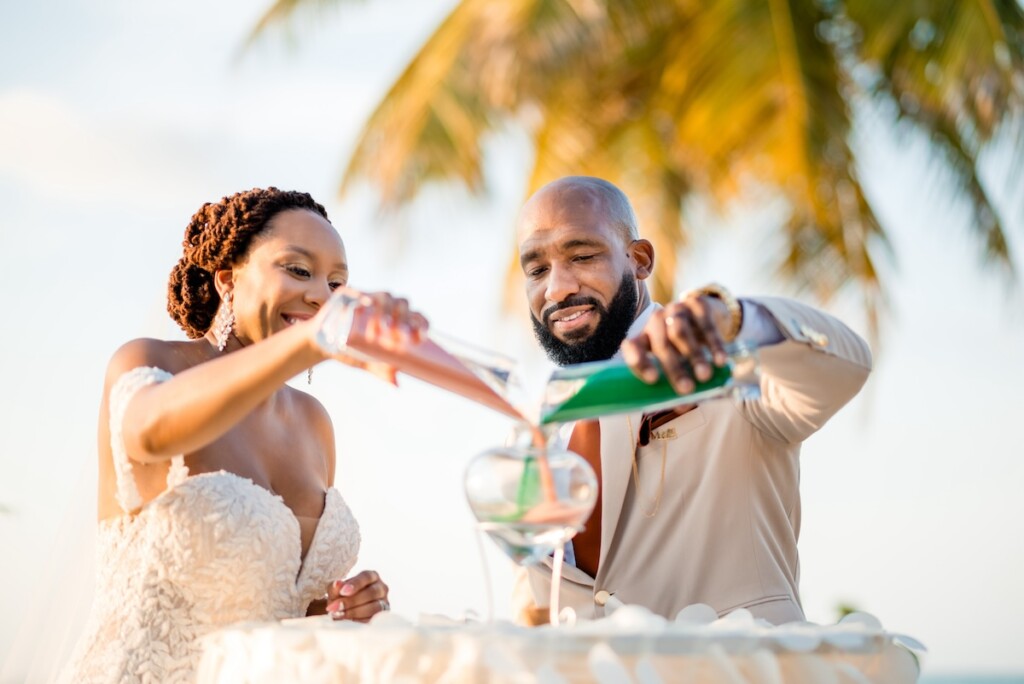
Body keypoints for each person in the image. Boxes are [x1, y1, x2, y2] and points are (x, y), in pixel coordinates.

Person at [59, 187, 425, 683]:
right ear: (228, 280)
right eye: (298, 270)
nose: (322, 296)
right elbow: (148, 431)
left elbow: (289, 615)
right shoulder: (151, 363)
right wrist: (310, 339)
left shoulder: (313, 423)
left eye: (338, 284)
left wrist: (345, 611)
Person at [512, 176, 872, 625]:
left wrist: (734, 320)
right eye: (537, 270)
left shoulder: (727, 363)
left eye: (582, 256)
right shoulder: (539, 425)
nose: (557, 288)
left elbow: (847, 363)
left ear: (640, 260)